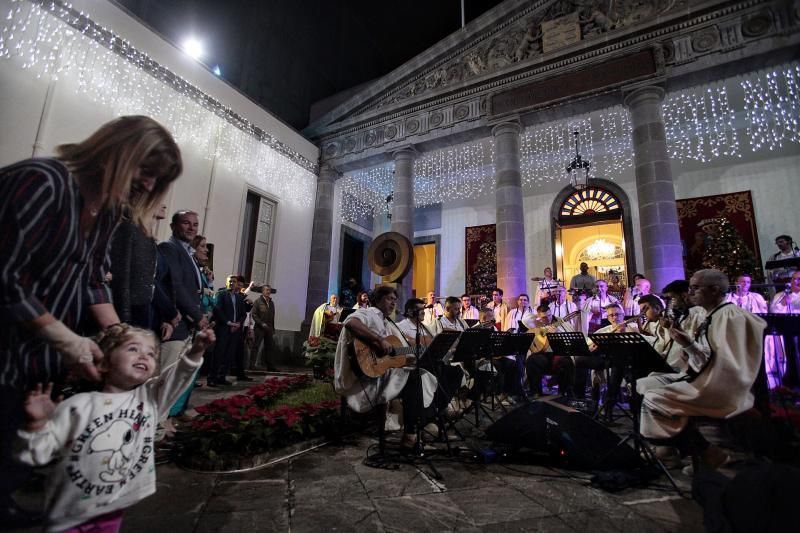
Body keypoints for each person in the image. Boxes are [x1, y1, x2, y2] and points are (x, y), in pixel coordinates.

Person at [0, 115, 181, 526]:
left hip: (31, 361)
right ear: (113, 151)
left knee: (15, 451)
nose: (148, 187)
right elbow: (6, 279)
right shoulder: (43, 182)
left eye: (158, 180)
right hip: (7, 347)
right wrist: (66, 339)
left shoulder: (105, 213)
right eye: (145, 171)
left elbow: (94, 280)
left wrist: (122, 340)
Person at [15, 324, 214, 532]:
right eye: (133, 349)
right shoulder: (77, 406)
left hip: (113, 509)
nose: (144, 356)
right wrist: (36, 425)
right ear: (103, 361)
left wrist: (196, 351)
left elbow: (176, 378)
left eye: (151, 354)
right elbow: (36, 455)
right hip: (70, 514)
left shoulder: (148, 400)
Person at [636, 269, 766, 471]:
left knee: (656, 399)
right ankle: (671, 450)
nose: (690, 293)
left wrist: (689, 347)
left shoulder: (730, 316)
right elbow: (704, 358)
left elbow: (727, 364)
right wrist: (687, 346)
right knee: (644, 383)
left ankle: (701, 452)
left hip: (722, 385)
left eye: (695, 288)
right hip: (701, 375)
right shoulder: (711, 315)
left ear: (714, 290)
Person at [334, 286, 438, 449]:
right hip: (363, 378)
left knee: (422, 373)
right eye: (390, 299)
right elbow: (351, 322)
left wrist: (409, 356)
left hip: (381, 372)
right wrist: (378, 340)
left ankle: (421, 426)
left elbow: (394, 352)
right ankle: (411, 434)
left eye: (395, 300)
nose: (393, 303)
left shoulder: (386, 322)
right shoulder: (368, 313)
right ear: (378, 299)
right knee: (415, 378)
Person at [157, 211, 209, 372]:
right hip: (174, 327)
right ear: (173, 226)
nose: (192, 228)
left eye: (195, 225)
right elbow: (176, 285)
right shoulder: (169, 248)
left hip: (187, 328)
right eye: (186, 223)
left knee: (178, 384)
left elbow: (192, 289)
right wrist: (197, 315)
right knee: (165, 382)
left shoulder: (188, 253)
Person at [523, 304, 576, 397]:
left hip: (558, 352)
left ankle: (564, 392)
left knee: (566, 362)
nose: (548, 319)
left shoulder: (561, 322)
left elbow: (570, 340)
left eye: (549, 315)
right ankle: (535, 392)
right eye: (544, 317)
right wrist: (538, 319)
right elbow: (525, 320)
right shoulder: (536, 323)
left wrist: (557, 333)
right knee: (531, 360)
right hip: (543, 354)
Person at [208, 276, 248, 386]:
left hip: (235, 330)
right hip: (223, 329)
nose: (232, 283)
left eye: (234, 282)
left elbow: (243, 314)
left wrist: (238, 323)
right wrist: (228, 322)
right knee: (218, 353)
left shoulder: (239, 298)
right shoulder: (222, 295)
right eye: (230, 281)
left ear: (237, 284)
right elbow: (217, 310)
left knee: (228, 355)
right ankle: (212, 378)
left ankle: (222, 377)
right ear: (227, 283)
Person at [766, 270, 800, 387]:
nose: (796, 281)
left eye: (799, 279)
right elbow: (773, 310)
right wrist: (783, 304)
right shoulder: (780, 295)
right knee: (792, 355)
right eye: (793, 279)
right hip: (787, 331)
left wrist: (791, 302)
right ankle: (792, 381)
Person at [250, 284, 277, 371]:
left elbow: (272, 316)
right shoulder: (258, 301)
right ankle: (252, 365)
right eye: (266, 290)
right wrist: (261, 323)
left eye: (269, 290)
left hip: (269, 328)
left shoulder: (271, 303)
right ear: (262, 291)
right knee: (256, 346)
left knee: (270, 347)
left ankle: (270, 366)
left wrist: (272, 329)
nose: (268, 292)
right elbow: (254, 314)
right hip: (259, 328)